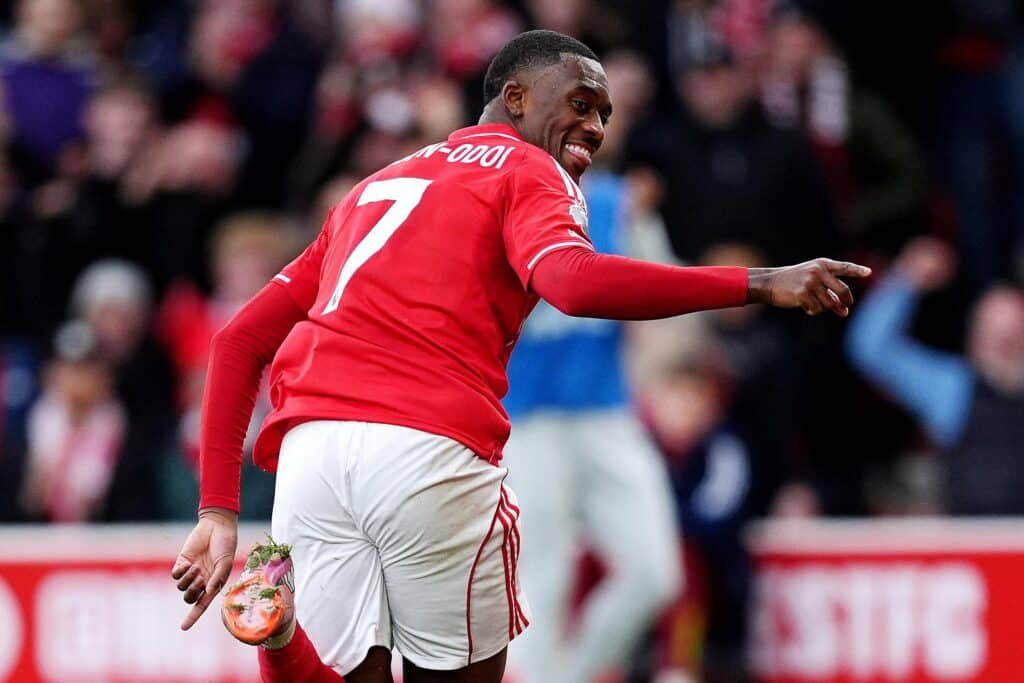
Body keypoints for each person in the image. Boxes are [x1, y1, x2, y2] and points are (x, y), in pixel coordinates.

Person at [171, 29, 869, 683]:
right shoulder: (529, 170)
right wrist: (759, 283)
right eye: (581, 103)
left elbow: (238, 340)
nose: (596, 126)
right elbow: (571, 281)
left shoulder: (373, 187)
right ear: (516, 99)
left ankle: (280, 632)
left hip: (311, 456)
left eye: (605, 113)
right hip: (427, 444)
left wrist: (218, 513)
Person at [846, 236, 1024, 514]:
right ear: (974, 340)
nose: (1003, 345)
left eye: (1013, 334)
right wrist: (907, 278)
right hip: (973, 546)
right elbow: (871, 348)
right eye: (992, 334)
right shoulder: (955, 387)